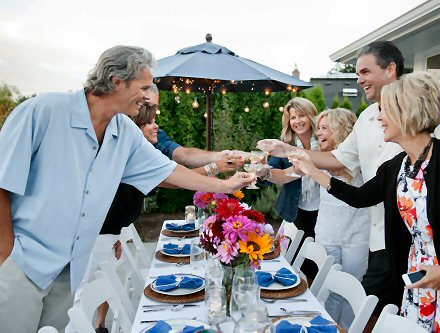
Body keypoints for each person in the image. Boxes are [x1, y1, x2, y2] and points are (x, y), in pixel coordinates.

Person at [0, 45, 253, 333]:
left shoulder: (126, 132)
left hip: (68, 273)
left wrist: (225, 185)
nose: (149, 96)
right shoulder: (40, 112)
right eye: (144, 86)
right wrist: (6, 255)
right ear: (117, 81)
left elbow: (169, 172)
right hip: (20, 266)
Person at [258, 41, 440, 322]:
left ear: (390, 69)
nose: (359, 79)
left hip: (435, 247)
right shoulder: (375, 130)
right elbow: (346, 169)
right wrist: (288, 152)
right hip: (382, 240)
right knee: (379, 314)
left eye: (365, 71)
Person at [291, 72, 440, 332]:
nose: (379, 117)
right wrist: (314, 172)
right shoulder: (396, 167)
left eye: (386, 109)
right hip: (418, 285)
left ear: (407, 111)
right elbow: (360, 197)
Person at [313, 108, 370, 329]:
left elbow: (349, 173)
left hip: (358, 233)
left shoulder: (360, 156)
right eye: (319, 128)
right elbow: (287, 174)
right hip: (328, 232)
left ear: (341, 129)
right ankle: (326, 328)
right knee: (329, 289)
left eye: (325, 128)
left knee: (352, 289)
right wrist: (267, 174)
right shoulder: (317, 158)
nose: (318, 133)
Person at [259, 97, 320, 279]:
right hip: (297, 210)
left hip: (324, 211)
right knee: (296, 261)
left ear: (311, 117)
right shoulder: (285, 145)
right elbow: (271, 173)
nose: (297, 121)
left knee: (318, 262)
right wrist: (262, 171)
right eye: (293, 117)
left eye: (302, 115)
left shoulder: (324, 140)